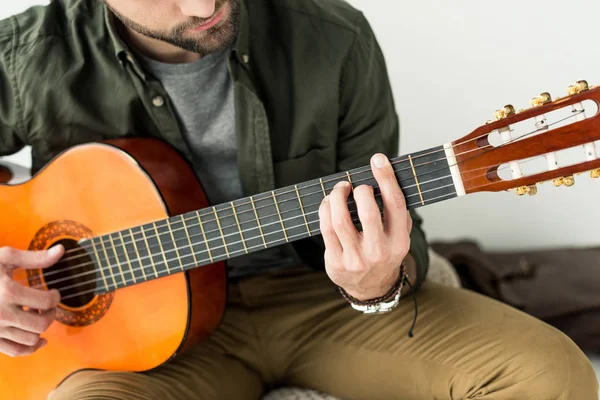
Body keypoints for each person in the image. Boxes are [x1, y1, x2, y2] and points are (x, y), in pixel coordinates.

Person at [0, 0, 597, 398]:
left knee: (552, 372)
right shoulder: (28, 57)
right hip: (143, 340)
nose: (202, 6)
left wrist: (376, 282)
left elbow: (398, 230)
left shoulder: (332, 36)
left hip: (319, 299)